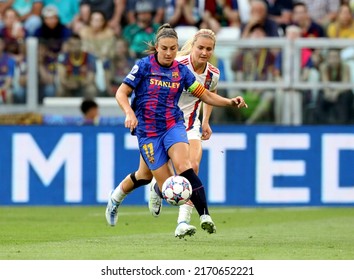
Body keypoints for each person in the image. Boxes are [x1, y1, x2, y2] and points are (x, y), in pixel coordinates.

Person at [105, 23, 247, 237]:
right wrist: (129, 113)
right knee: (151, 179)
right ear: (157, 47)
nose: (170, 53)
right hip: (149, 131)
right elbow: (121, 93)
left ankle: (198, 217)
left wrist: (229, 102)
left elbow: (206, 94)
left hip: (176, 125)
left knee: (187, 168)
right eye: (165, 48)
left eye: (173, 48)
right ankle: (115, 199)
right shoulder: (144, 66)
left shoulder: (181, 72)